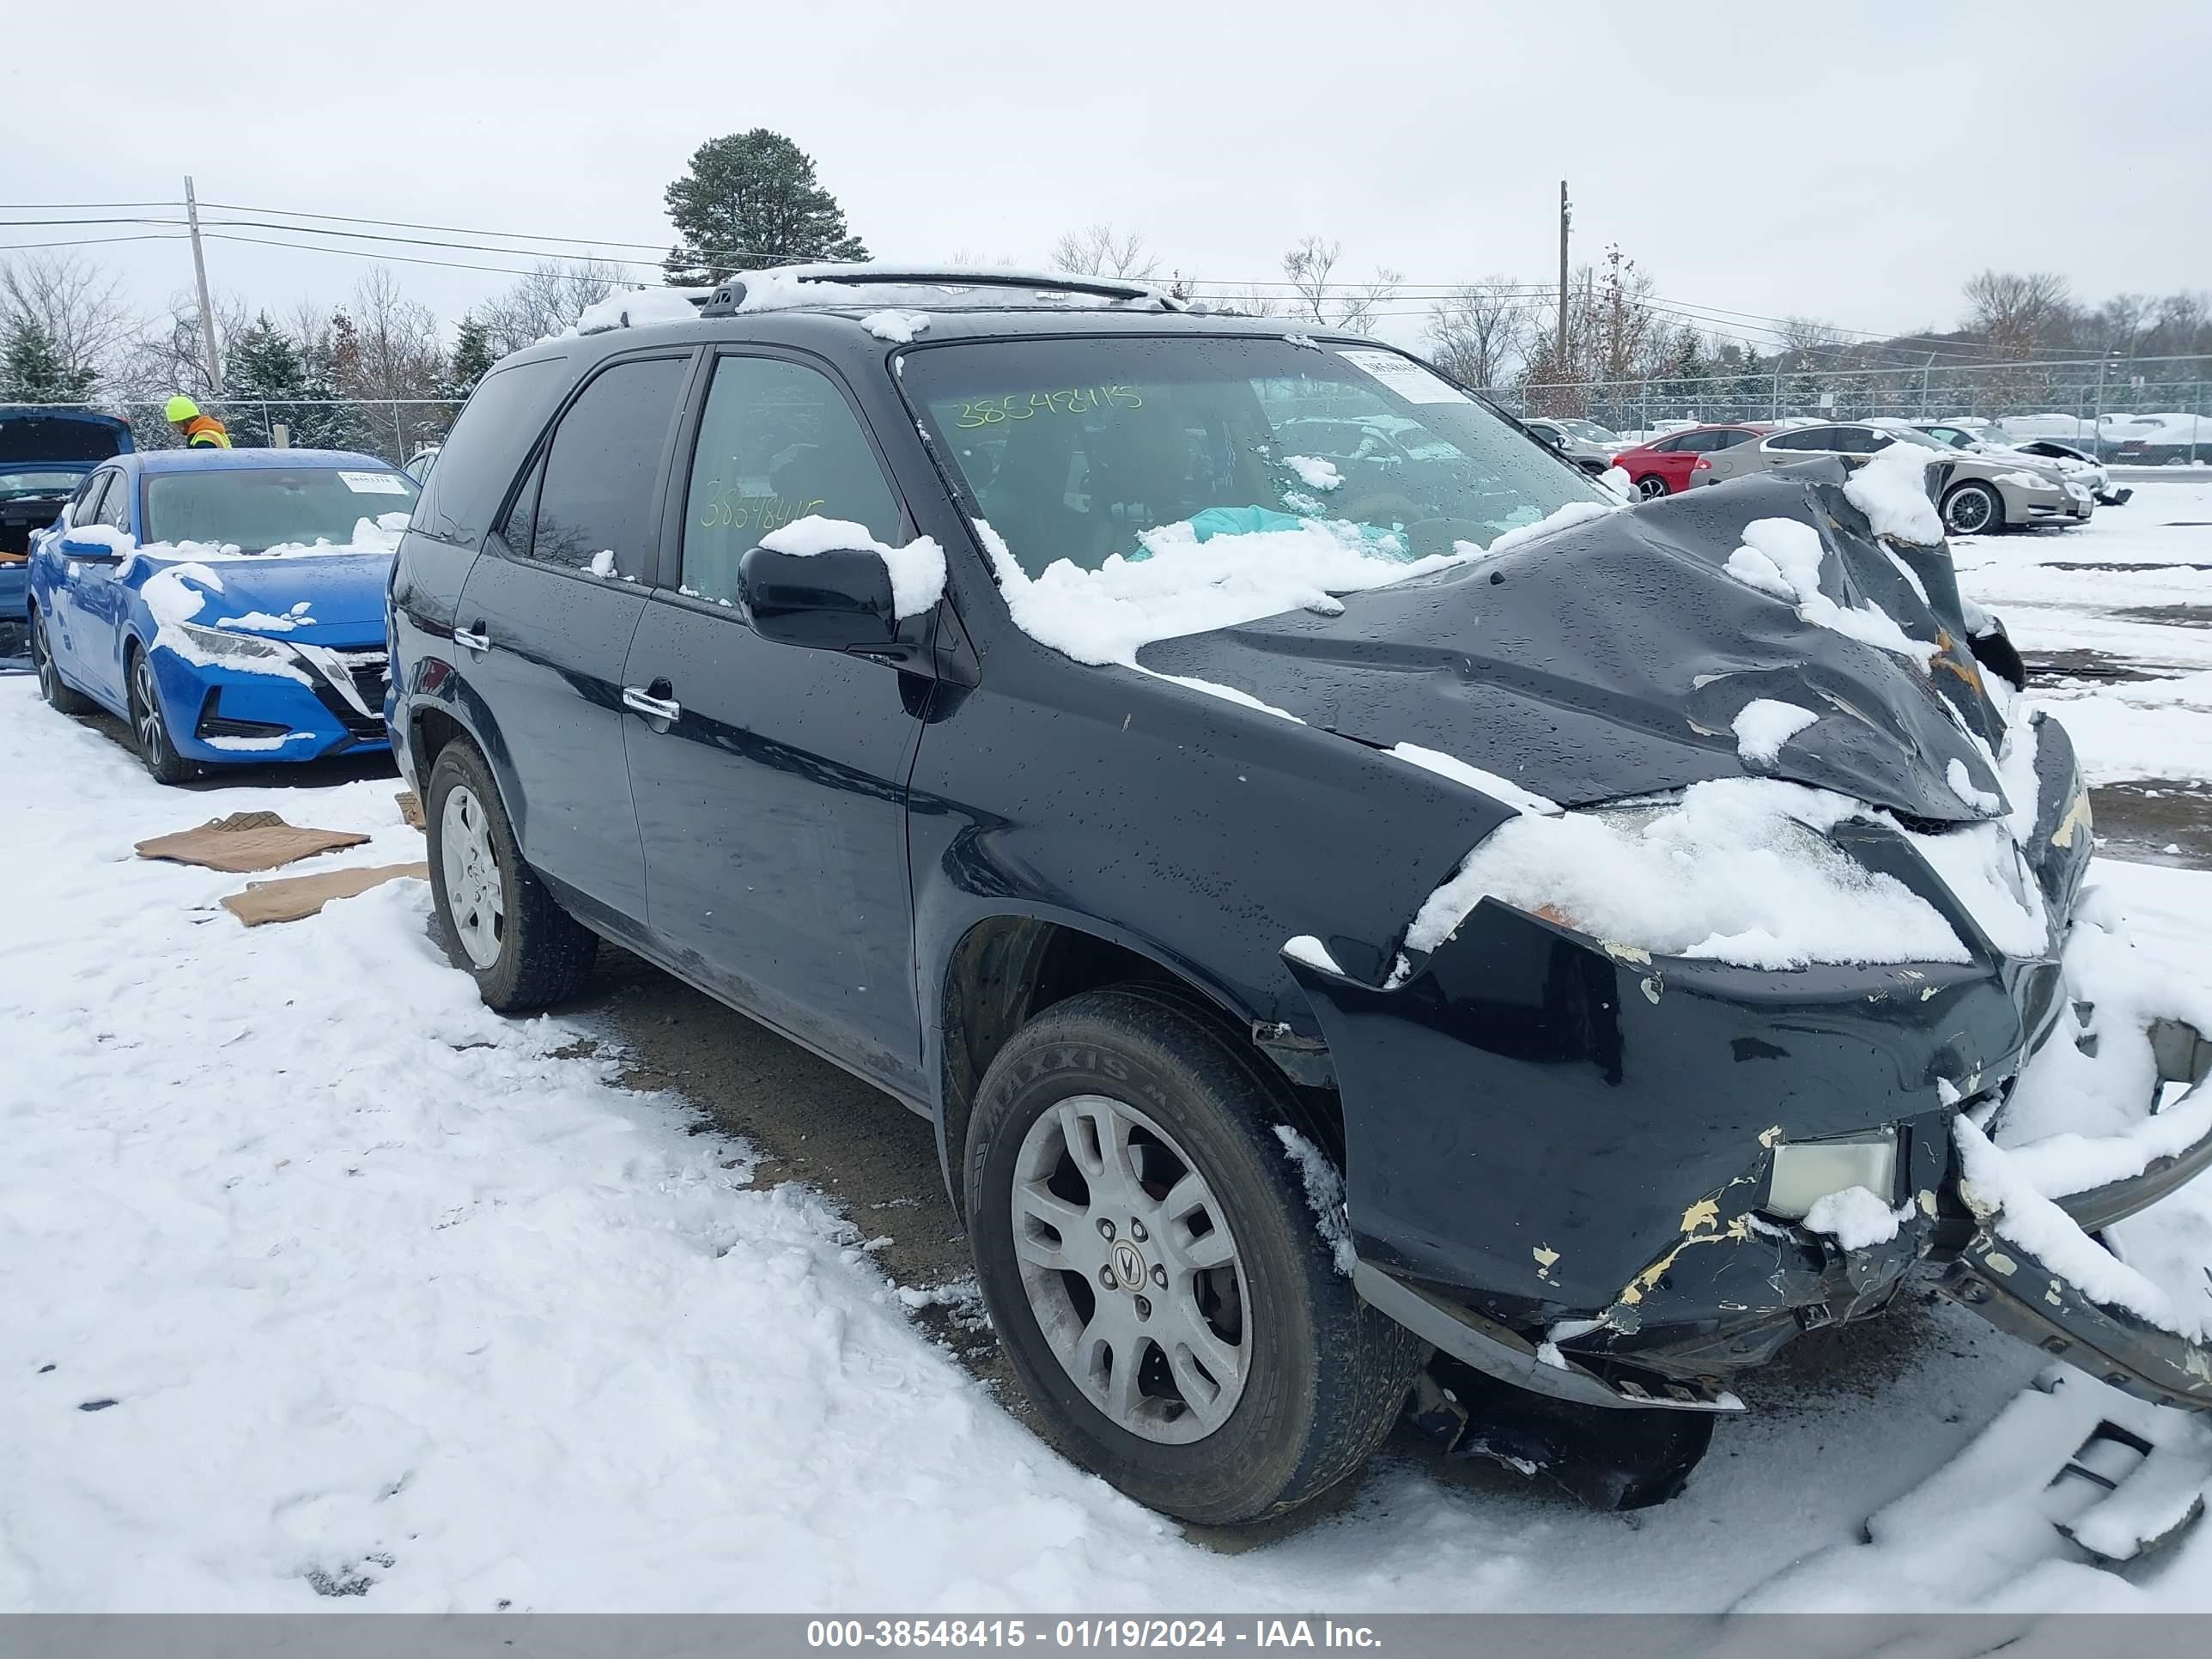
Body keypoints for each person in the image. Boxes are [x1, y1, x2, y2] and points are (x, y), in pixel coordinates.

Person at [165, 395, 231, 449]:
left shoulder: (203, 440)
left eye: (176, 424)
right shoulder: (212, 431)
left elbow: (204, 464)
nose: (176, 429)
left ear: (185, 421)